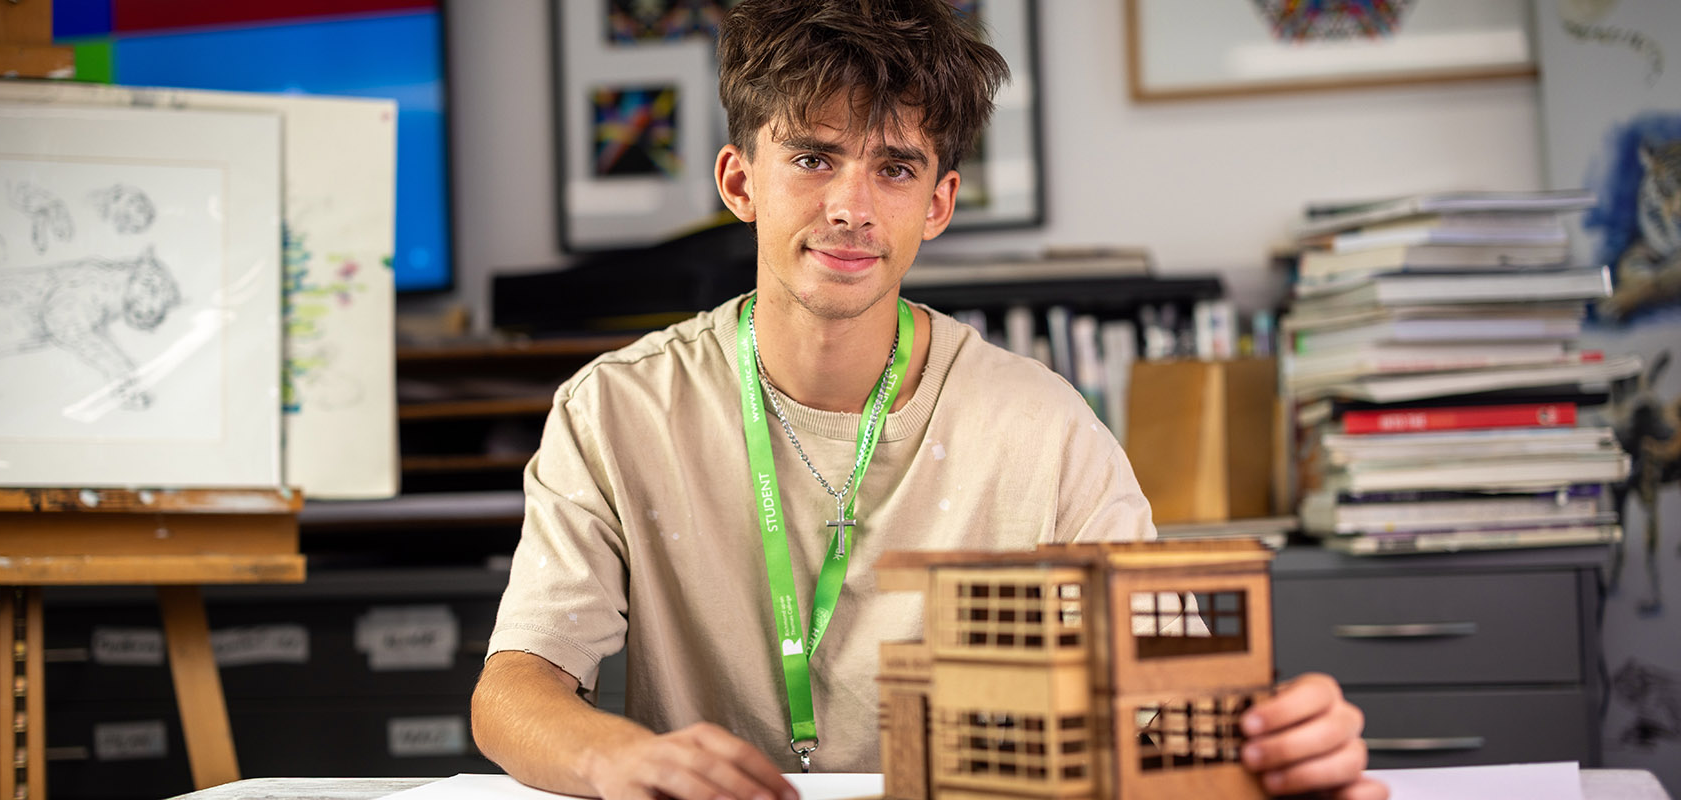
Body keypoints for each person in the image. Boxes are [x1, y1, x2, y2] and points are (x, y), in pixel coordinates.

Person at [471, 2, 1384, 799]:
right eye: (814, 158)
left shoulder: (1044, 423)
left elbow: (1177, 696)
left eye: (896, 169)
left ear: (939, 203)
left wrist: (1275, 735)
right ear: (740, 182)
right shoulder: (616, 410)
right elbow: (516, 684)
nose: (851, 207)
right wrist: (614, 762)